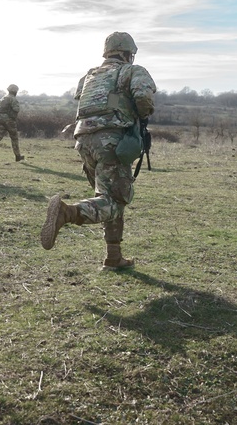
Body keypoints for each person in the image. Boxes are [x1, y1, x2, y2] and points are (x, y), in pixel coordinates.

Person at [40, 32, 156, 270]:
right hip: (112, 141)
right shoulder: (132, 71)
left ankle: (113, 257)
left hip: (84, 140)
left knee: (107, 195)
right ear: (128, 53)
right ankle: (67, 213)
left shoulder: (90, 76)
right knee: (114, 199)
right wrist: (141, 116)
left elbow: (96, 102)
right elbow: (143, 98)